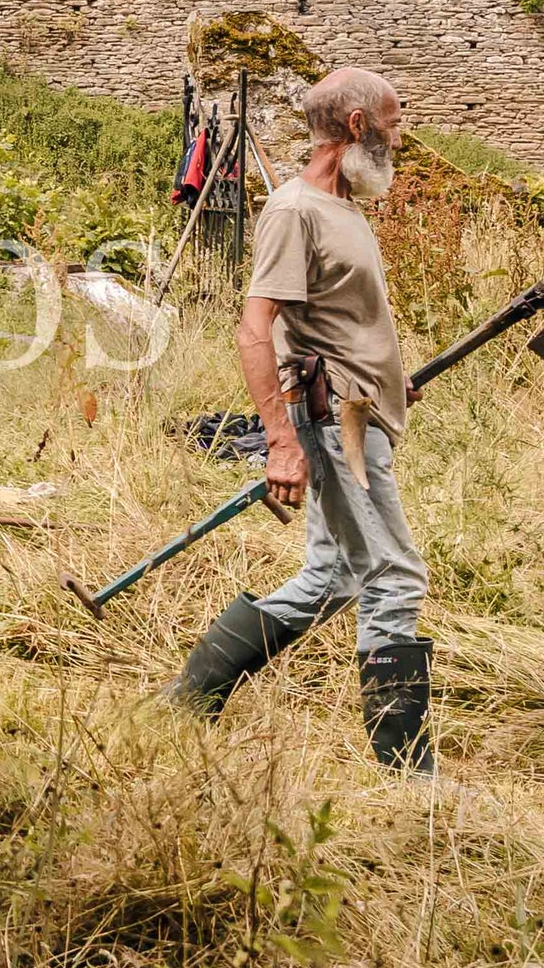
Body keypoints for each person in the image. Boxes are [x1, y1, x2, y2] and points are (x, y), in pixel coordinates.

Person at [166, 65, 434, 772]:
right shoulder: (295, 211)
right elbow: (255, 329)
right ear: (358, 126)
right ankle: (407, 771)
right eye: (395, 123)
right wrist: (281, 441)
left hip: (363, 414)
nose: (401, 139)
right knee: (391, 574)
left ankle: (189, 700)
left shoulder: (345, 209)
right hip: (328, 426)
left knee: (336, 575)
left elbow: (340, 322)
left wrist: (387, 377)